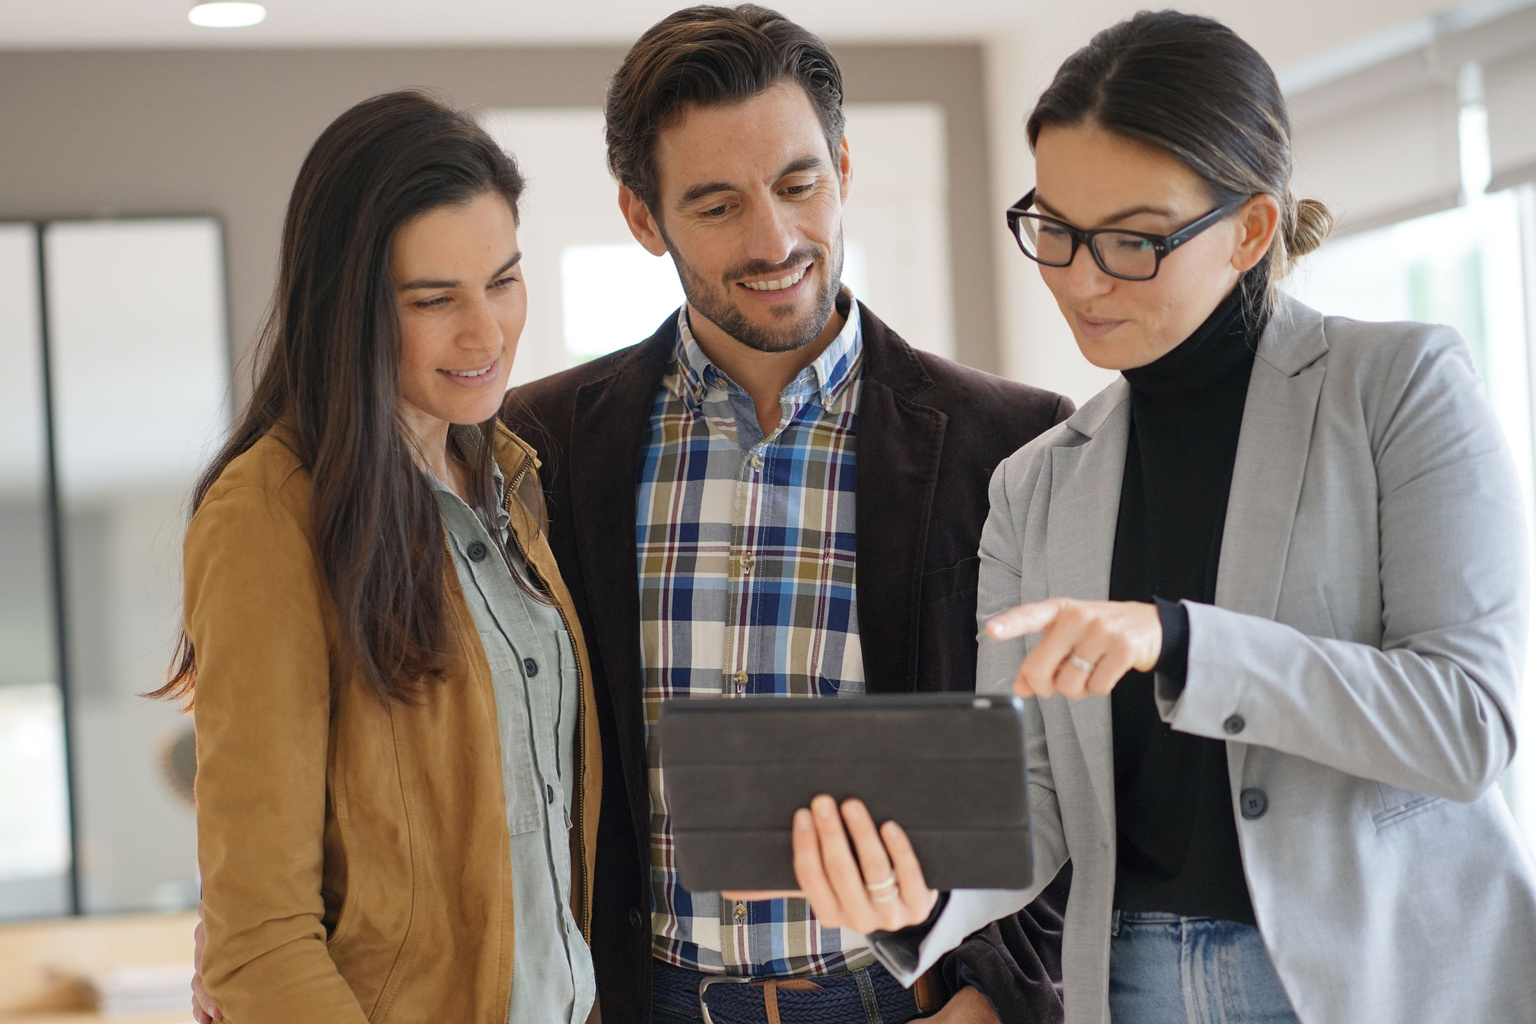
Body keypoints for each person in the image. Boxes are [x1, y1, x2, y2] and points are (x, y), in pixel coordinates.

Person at [778, 10, 1536, 1024]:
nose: (1081, 279)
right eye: (1054, 229)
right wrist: (923, 897)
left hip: (1385, 980)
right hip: (1132, 984)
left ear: (1253, 227)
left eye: (1133, 240)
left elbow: (1468, 723)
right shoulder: (1036, 484)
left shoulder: (1398, 387)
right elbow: (1033, 799)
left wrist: (1179, 638)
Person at [501, 5, 1073, 1022]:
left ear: (844, 167)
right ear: (643, 218)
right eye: (716, 204)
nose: (775, 239)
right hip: (645, 1000)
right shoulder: (537, 444)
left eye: (799, 184)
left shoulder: (1015, 442)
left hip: (910, 998)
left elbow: (1088, 768)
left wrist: (997, 991)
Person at [160, 91, 602, 1024]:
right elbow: (257, 939)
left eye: (504, 281)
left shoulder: (509, 477)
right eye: (433, 300)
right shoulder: (270, 514)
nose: (485, 334)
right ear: (347, 306)